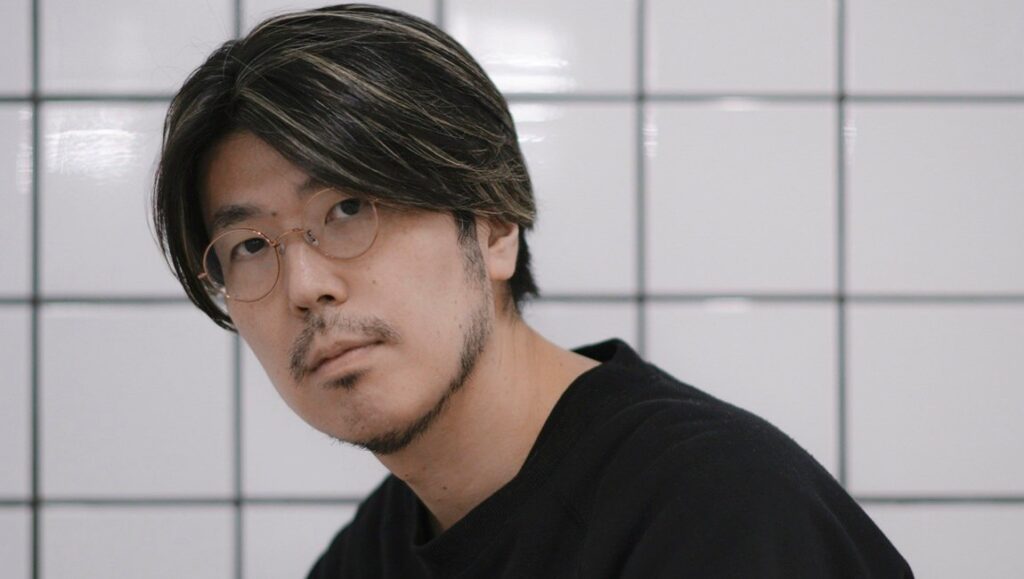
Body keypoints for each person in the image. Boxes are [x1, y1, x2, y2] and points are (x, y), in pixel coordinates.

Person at [151, 4, 913, 577]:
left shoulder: (719, 514)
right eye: (252, 246)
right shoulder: (372, 554)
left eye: (349, 209)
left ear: (492, 227)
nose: (305, 287)